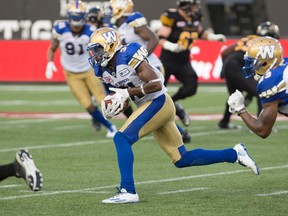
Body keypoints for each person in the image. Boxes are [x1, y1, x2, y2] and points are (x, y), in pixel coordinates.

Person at [87, 27, 259, 204]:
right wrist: (116, 105)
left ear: (111, 45)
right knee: (181, 159)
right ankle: (234, 153)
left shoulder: (127, 54)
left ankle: (128, 190)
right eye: (93, 51)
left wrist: (128, 94)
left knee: (121, 138)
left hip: (158, 101)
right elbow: (124, 95)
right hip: (149, 104)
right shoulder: (102, 71)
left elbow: (156, 83)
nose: (95, 55)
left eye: (98, 49)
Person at [108, 0, 191, 142]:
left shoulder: (132, 20)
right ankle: (179, 130)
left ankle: (178, 119)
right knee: (145, 104)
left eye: (112, 8)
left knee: (151, 101)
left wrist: (140, 59)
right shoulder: (116, 27)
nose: (110, 11)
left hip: (149, 66)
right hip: (131, 70)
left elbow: (153, 38)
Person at [45, 0, 117, 138]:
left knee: (104, 100)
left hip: (89, 70)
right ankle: (110, 127)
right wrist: (49, 62)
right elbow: (52, 47)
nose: (76, 19)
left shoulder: (90, 31)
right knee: (87, 105)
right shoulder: (60, 28)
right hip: (71, 73)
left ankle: (110, 123)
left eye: (79, 15)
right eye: (74, 15)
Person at [157, 0, 225, 124]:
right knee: (158, 91)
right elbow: (160, 38)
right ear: (185, 6)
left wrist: (213, 37)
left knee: (191, 88)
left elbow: (201, 33)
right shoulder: (172, 17)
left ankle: (173, 103)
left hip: (184, 61)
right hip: (168, 61)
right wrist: (170, 45)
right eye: (193, 6)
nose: (195, 9)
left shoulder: (194, 18)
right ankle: (160, 115)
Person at [218, 21, 280, 129]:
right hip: (239, 65)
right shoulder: (268, 44)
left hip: (230, 63)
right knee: (261, 92)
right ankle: (261, 124)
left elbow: (226, 51)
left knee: (234, 96)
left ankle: (224, 122)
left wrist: (224, 68)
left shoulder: (250, 38)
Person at [228, 36, 287, 138]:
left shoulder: (271, 80)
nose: (252, 65)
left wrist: (240, 109)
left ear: (265, 61)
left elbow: (262, 130)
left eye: (254, 61)